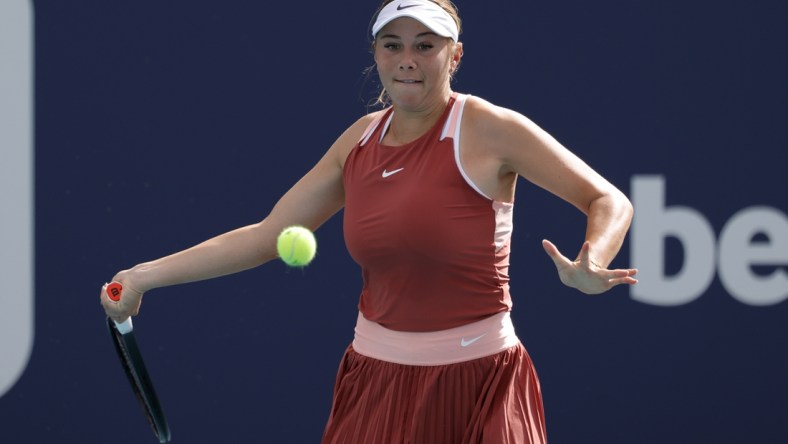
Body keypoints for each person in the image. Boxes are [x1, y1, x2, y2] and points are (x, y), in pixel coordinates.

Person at [101, 0, 638, 442]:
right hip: (375, 383)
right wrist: (143, 276)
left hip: (484, 384)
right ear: (376, 55)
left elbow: (607, 199)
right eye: (393, 45)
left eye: (426, 45)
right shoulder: (358, 141)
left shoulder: (491, 129)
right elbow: (267, 236)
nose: (408, 58)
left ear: (455, 57)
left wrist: (592, 261)